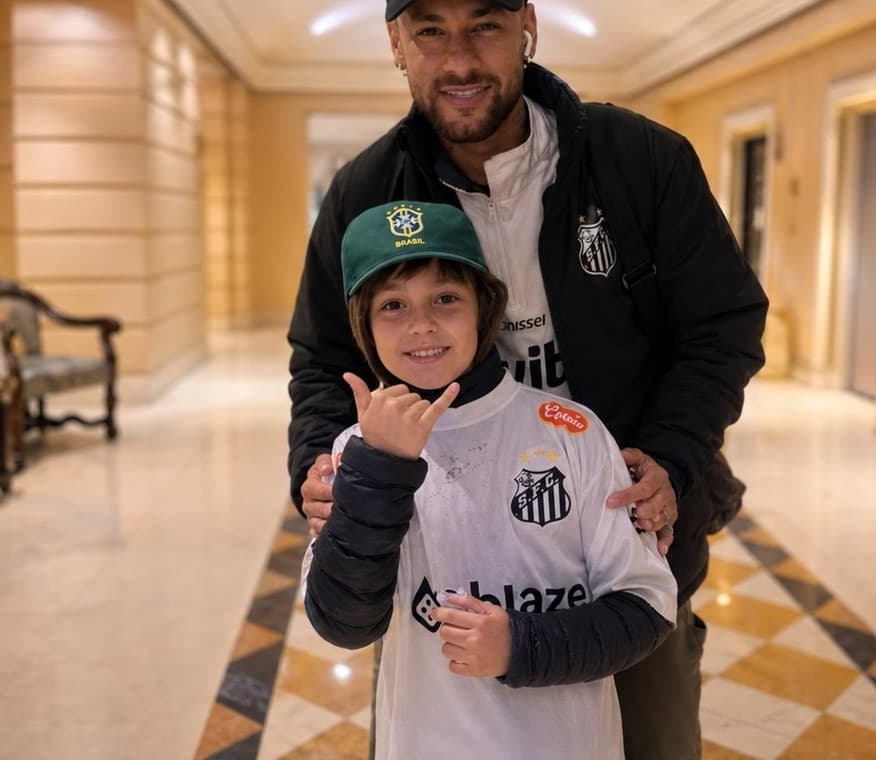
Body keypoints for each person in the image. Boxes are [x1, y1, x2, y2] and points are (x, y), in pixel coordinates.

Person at [288, 1, 769, 756]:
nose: (459, 61)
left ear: (527, 27)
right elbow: (321, 359)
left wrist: (672, 455)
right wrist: (318, 463)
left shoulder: (641, 160)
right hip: (437, 558)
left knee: (652, 737)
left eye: (485, 25)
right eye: (429, 32)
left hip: (621, 536)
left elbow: (722, 326)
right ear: (395, 44)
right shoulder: (368, 191)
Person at [303, 201, 678, 759]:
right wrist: (380, 467)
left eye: (446, 298)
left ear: (485, 307)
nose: (422, 324)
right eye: (393, 305)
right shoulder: (354, 452)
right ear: (363, 324)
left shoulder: (571, 432)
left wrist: (521, 646)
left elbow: (646, 606)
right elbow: (344, 623)